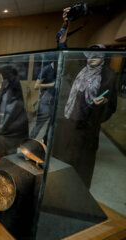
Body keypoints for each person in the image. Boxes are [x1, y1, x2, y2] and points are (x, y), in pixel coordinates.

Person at [52, 8, 118, 188]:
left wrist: (102, 105)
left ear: (104, 57)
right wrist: (66, 23)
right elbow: (62, 47)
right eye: (90, 54)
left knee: (83, 166)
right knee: (62, 163)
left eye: (98, 54)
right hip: (68, 124)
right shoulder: (76, 69)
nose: (93, 57)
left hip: (88, 128)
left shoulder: (109, 76)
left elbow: (112, 107)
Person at [30, 58, 56, 141]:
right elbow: (36, 86)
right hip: (46, 101)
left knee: (52, 126)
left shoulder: (65, 68)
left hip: (57, 101)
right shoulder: (47, 68)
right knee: (39, 125)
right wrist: (52, 85)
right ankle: (28, 144)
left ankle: (45, 144)